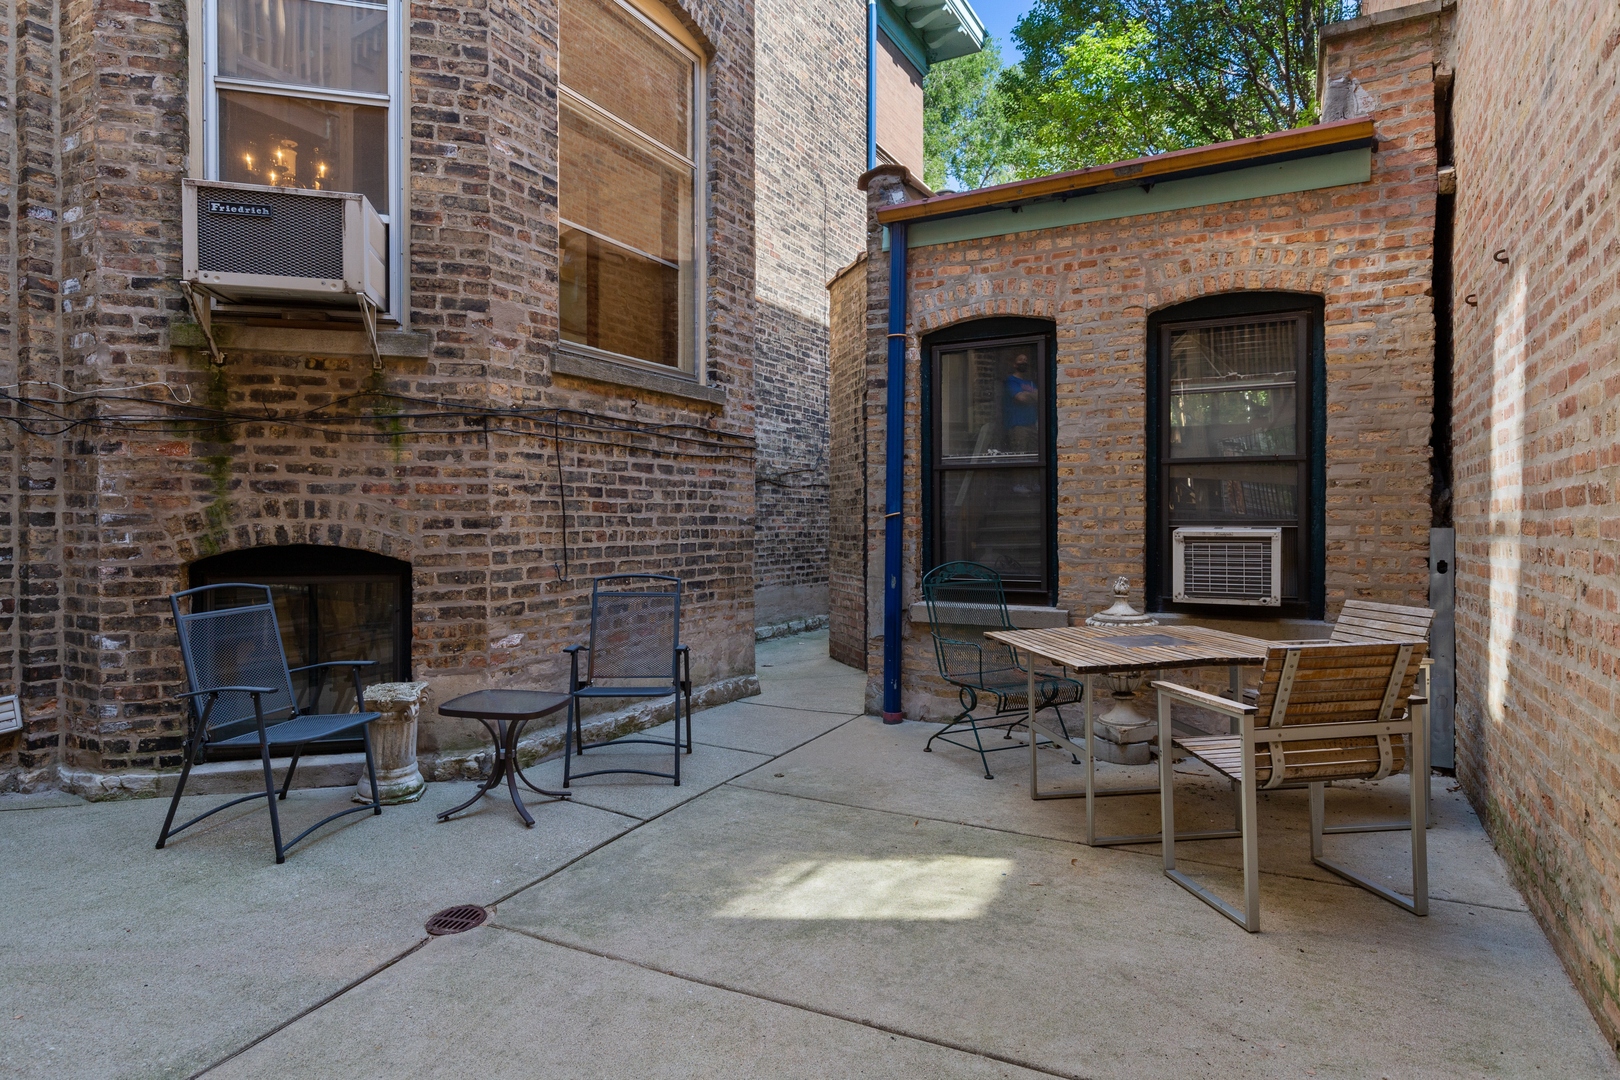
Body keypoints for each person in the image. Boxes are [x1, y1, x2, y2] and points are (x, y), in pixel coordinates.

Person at [1003, 353, 1038, 455]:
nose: (1024, 362)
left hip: (1032, 425)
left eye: (1026, 360)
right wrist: (1031, 396)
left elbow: (1039, 397)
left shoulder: (1030, 383)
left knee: (1034, 456)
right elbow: (1021, 398)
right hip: (1018, 426)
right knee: (1020, 456)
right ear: (1015, 364)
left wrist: (1027, 395)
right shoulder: (1011, 380)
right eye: (1021, 360)